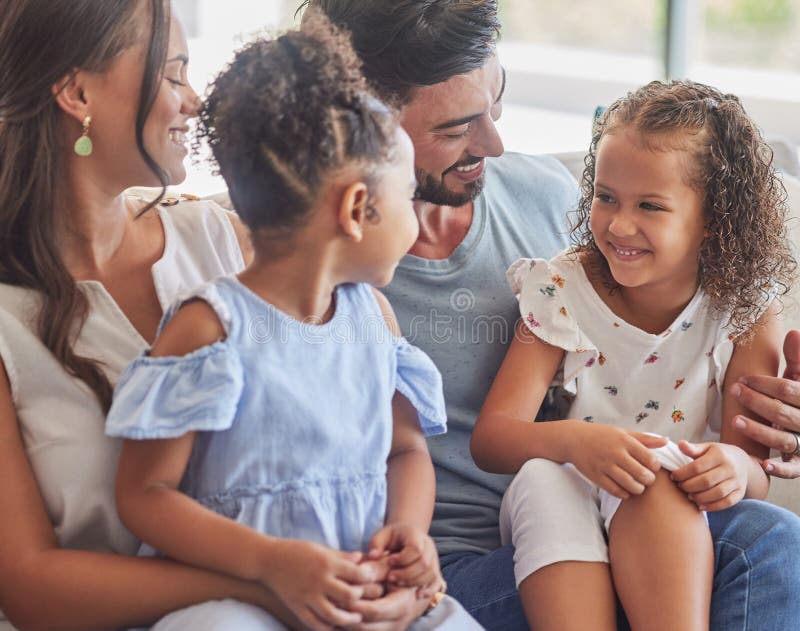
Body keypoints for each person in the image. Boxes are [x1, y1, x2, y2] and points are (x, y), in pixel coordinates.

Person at [303, 1, 800, 629]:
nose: (495, 144)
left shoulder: (548, 200)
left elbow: (741, 447)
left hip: (647, 527)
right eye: (457, 129)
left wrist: (762, 442)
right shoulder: (313, 266)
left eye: (498, 103)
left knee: (767, 537)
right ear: (358, 125)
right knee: (739, 535)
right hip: (464, 568)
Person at [106, 14, 481, 631]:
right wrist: (271, 564)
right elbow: (144, 497)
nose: (415, 222)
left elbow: (407, 451)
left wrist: (410, 536)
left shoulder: (375, 321)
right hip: (243, 598)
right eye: (406, 198)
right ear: (359, 210)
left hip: (361, 592)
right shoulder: (210, 330)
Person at [0, 1, 298, 629]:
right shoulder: (7, 319)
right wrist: (265, 583)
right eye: (173, 74)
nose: (193, 101)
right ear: (77, 93)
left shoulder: (220, 242)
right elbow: (27, 585)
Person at [471, 80, 794, 631]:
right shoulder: (559, 290)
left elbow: (754, 470)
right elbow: (494, 437)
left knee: (663, 471)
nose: (619, 225)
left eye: (650, 206)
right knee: (548, 479)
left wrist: (735, 467)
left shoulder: (745, 310)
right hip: (562, 489)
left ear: (713, 219)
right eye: (605, 196)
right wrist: (578, 442)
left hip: (672, 516)